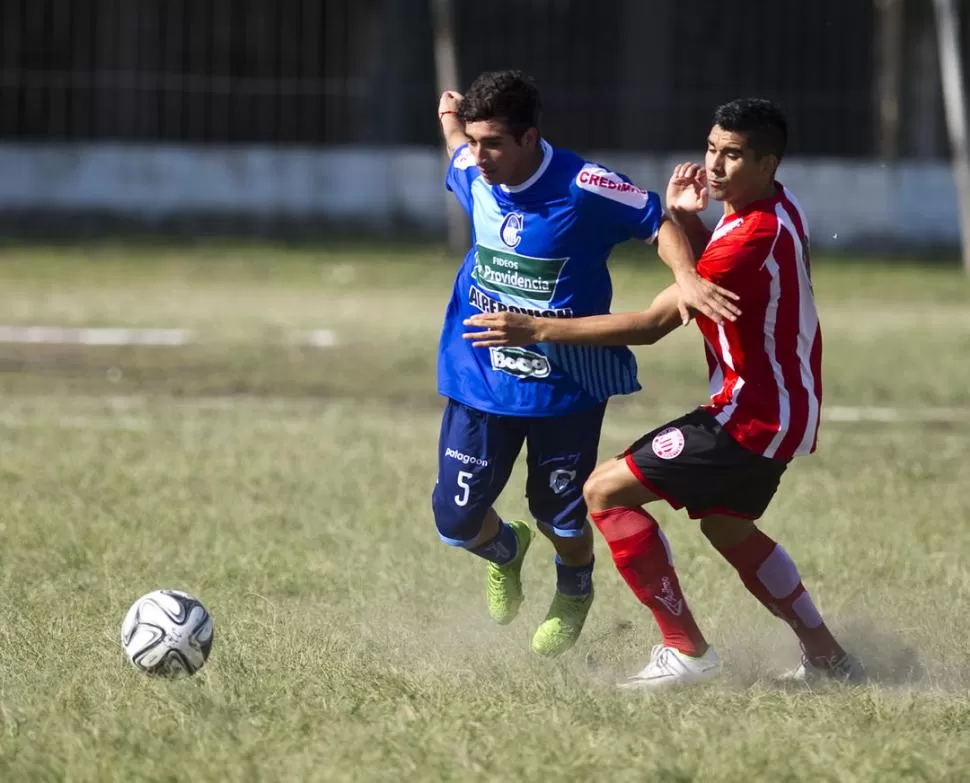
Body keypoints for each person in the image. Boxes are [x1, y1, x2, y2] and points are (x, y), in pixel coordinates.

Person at [462, 97, 865, 686]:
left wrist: (535, 327)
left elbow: (652, 326)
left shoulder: (750, 236)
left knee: (603, 492)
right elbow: (709, 278)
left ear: (767, 163)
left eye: (733, 156)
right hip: (782, 411)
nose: (716, 166)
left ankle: (688, 653)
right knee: (727, 526)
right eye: (711, 149)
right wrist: (692, 222)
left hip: (745, 414)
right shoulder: (777, 206)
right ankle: (830, 659)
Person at [433, 70, 740, 658]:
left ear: (529, 137)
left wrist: (687, 278)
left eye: (493, 142)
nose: (481, 156)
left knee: (563, 516)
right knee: (456, 519)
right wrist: (452, 121)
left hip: (565, 385)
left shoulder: (586, 183)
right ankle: (506, 549)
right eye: (475, 141)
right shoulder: (473, 168)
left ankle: (574, 587)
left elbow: (657, 222)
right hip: (480, 377)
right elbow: (455, 147)